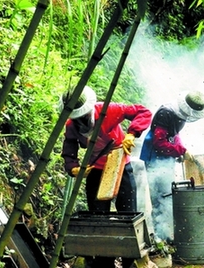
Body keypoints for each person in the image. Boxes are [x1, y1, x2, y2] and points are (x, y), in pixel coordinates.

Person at [59, 86, 152, 268]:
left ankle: (129, 260)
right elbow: (69, 147)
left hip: (120, 166)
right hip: (95, 170)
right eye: (77, 118)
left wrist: (132, 133)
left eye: (83, 116)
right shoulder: (71, 125)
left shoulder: (108, 110)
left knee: (127, 214)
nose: (81, 120)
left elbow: (143, 111)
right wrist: (74, 168)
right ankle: (104, 262)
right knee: (98, 217)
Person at [139, 90, 204, 241]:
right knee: (159, 196)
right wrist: (180, 151)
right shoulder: (165, 113)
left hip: (166, 157)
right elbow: (159, 142)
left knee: (168, 194)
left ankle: (166, 232)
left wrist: (181, 150)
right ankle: (159, 237)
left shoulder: (181, 115)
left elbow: (175, 135)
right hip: (154, 158)